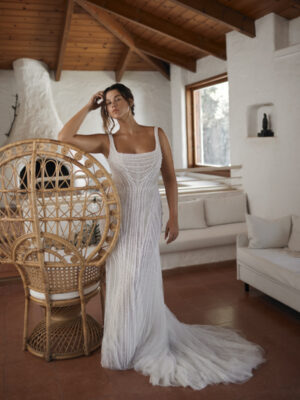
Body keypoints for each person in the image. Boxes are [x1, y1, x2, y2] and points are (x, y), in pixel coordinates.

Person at [58, 83, 265, 390]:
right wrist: (89, 105)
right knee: (125, 279)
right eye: (108, 103)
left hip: (148, 216)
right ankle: (124, 342)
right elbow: (64, 138)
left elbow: (169, 176)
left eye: (118, 100)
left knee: (141, 278)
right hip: (122, 220)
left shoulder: (157, 133)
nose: (112, 105)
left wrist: (175, 216)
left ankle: (145, 337)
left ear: (130, 101)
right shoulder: (107, 141)